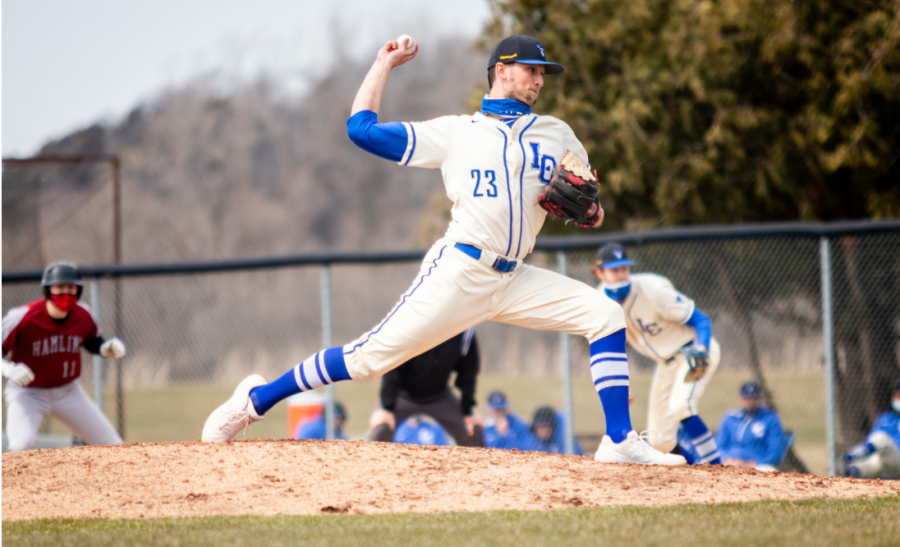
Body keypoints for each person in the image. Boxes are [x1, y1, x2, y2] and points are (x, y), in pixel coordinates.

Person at [202, 34, 684, 466]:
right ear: (502, 71)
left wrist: (586, 211)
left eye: (544, 73)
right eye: (531, 70)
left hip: (515, 278)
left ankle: (619, 439)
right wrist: (383, 65)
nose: (540, 79)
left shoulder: (557, 134)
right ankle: (256, 400)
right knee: (369, 360)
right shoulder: (457, 133)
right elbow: (361, 130)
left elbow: (593, 210)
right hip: (461, 270)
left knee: (604, 316)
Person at [594, 243, 722, 464]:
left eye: (624, 268)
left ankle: (719, 469)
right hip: (666, 364)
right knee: (661, 440)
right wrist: (620, 383)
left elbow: (700, 319)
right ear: (599, 272)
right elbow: (610, 345)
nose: (621, 274)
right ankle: (694, 470)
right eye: (614, 270)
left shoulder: (653, 291)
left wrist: (702, 349)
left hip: (692, 353)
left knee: (682, 405)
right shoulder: (599, 301)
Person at [2, 261, 126, 451]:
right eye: (60, 287)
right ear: (47, 290)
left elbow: (92, 341)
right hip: (27, 393)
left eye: (71, 287)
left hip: (68, 392)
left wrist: (105, 348)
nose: (66, 293)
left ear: (79, 291)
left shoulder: (83, 314)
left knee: (113, 444)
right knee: (21, 446)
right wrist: (9, 369)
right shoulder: (22, 317)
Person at [366, 328, 484, 447]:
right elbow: (392, 366)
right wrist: (386, 408)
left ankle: (481, 465)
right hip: (403, 395)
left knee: (472, 431)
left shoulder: (463, 329)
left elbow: (468, 371)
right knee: (382, 427)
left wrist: (468, 412)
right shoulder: (412, 323)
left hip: (439, 396)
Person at [714, 382, 787, 471]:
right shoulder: (731, 419)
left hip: (759, 466)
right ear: (740, 398)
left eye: (754, 398)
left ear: (760, 398)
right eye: (747, 398)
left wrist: (752, 464)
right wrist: (728, 459)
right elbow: (719, 447)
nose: (751, 402)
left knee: (768, 471)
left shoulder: (770, 419)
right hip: (730, 463)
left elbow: (775, 453)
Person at [844, 379, 900, 480]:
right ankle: (853, 475)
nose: (898, 399)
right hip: (884, 460)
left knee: (881, 438)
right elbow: (871, 441)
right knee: (863, 465)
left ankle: (856, 454)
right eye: (896, 396)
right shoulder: (885, 418)